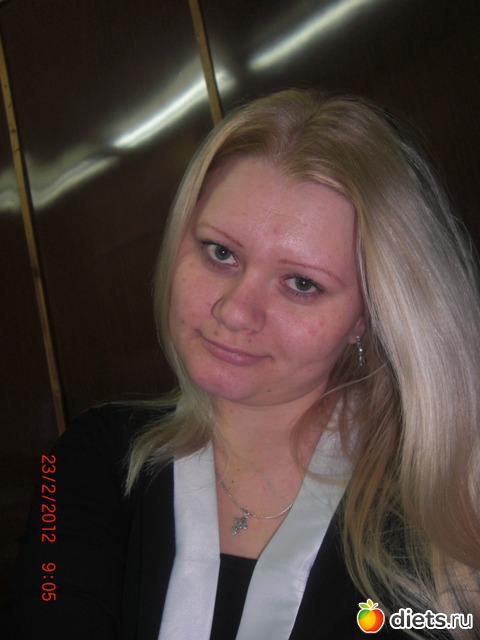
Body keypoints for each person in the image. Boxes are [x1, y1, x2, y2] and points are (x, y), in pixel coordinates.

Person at [2, 89, 479, 639]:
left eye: (301, 283)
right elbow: (47, 603)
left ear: (367, 316)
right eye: (221, 252)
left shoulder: (443, 508)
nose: (234, 311)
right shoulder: (89, 457)